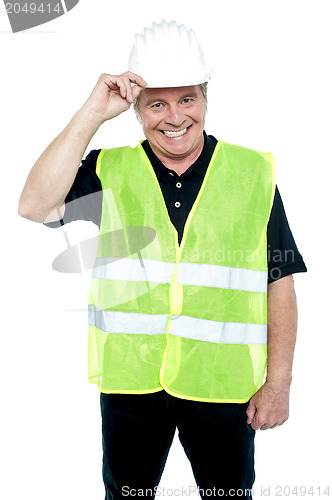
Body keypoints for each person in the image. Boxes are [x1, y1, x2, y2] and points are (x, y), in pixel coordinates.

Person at [18, 20, 306, 500]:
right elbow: (34, 206)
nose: (175, 117)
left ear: (206, 98)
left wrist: (279, 383)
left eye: (187, 99)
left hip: (221, 385)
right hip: (132, 383)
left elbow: (280, 280)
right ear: (136, 109)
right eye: (157, 103)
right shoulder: (110, 170)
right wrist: (91, 114)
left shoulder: (251, 172)